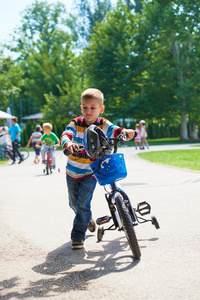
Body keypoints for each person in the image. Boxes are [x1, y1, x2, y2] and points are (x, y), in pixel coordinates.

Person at [61, 88, 136, 250]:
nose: (88, 111)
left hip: (91, 172)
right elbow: (66, 134)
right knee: (74, 204)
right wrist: (68, 143)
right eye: (85, 107)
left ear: (100, 109)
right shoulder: (76, 123)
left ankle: (77, 237)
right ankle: (87, 219)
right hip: (72, 172)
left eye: (93, 108)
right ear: (81, 108)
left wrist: (125, 132)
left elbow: (115, 130)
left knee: (83, 204)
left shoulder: (103, 123)